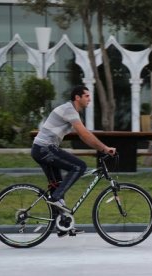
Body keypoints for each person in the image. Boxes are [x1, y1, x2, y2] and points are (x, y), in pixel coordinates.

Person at [31, 85, 116, 237]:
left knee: (57, 186)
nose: (89, 99)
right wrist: (104, 148)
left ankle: (63, 225)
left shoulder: (71, 111)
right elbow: (84, 134)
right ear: (78, 97)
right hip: (44, 149)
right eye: (87, 96)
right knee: (79, 167)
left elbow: (83, 135)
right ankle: (56, 198)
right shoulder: (69, 109)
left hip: (41, 149)